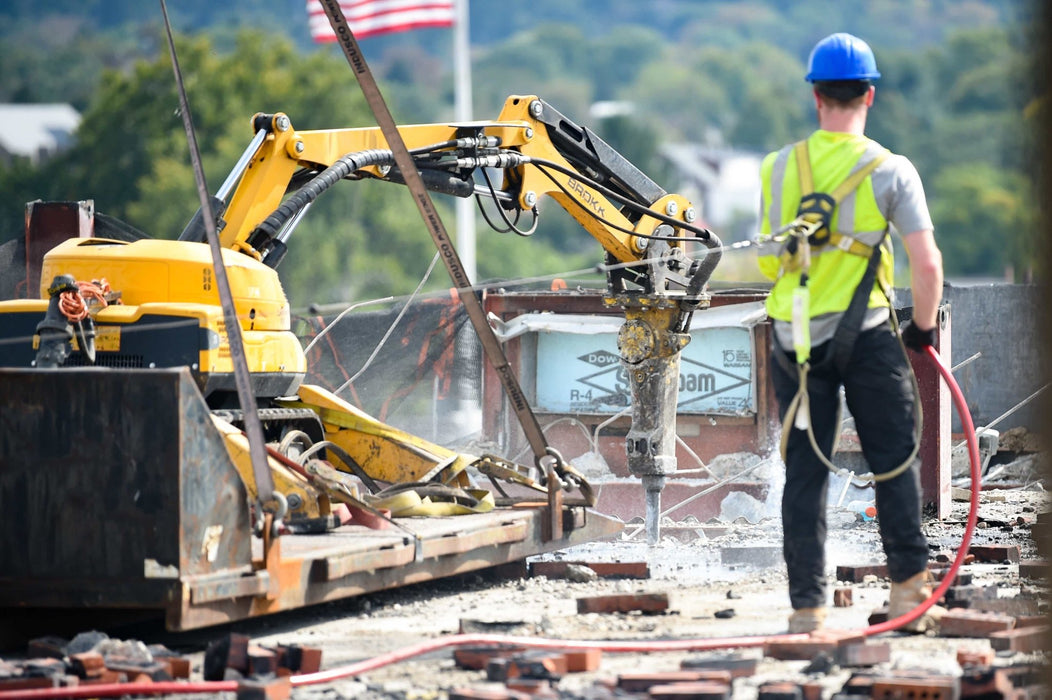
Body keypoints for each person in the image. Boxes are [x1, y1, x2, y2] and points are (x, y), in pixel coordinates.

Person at [756, 32, 945, 634]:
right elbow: (927, 265)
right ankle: (909, 595)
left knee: (805, 472)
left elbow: (768, 261)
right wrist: (922, 330)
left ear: (816, 97)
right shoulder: (891, 170)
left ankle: (807, 610)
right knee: (893, 460)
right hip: (867, 337)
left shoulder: (778, 168)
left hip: (795, 343)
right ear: (870, 95)